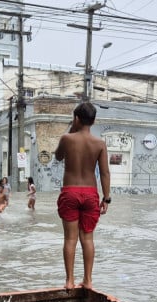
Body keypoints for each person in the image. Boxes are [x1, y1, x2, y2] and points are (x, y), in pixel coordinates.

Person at [54, 102, 111, 290]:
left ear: (76, 119)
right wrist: (107, 197)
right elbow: (104, 173)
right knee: (87, 239)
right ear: (94, 121)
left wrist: (72, 128)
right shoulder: (100, 143)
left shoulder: (66, 138)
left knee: (70, 239)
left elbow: (58, 157)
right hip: (90, 194)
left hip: (70, 192)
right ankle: (88, 280)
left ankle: (69, 281)